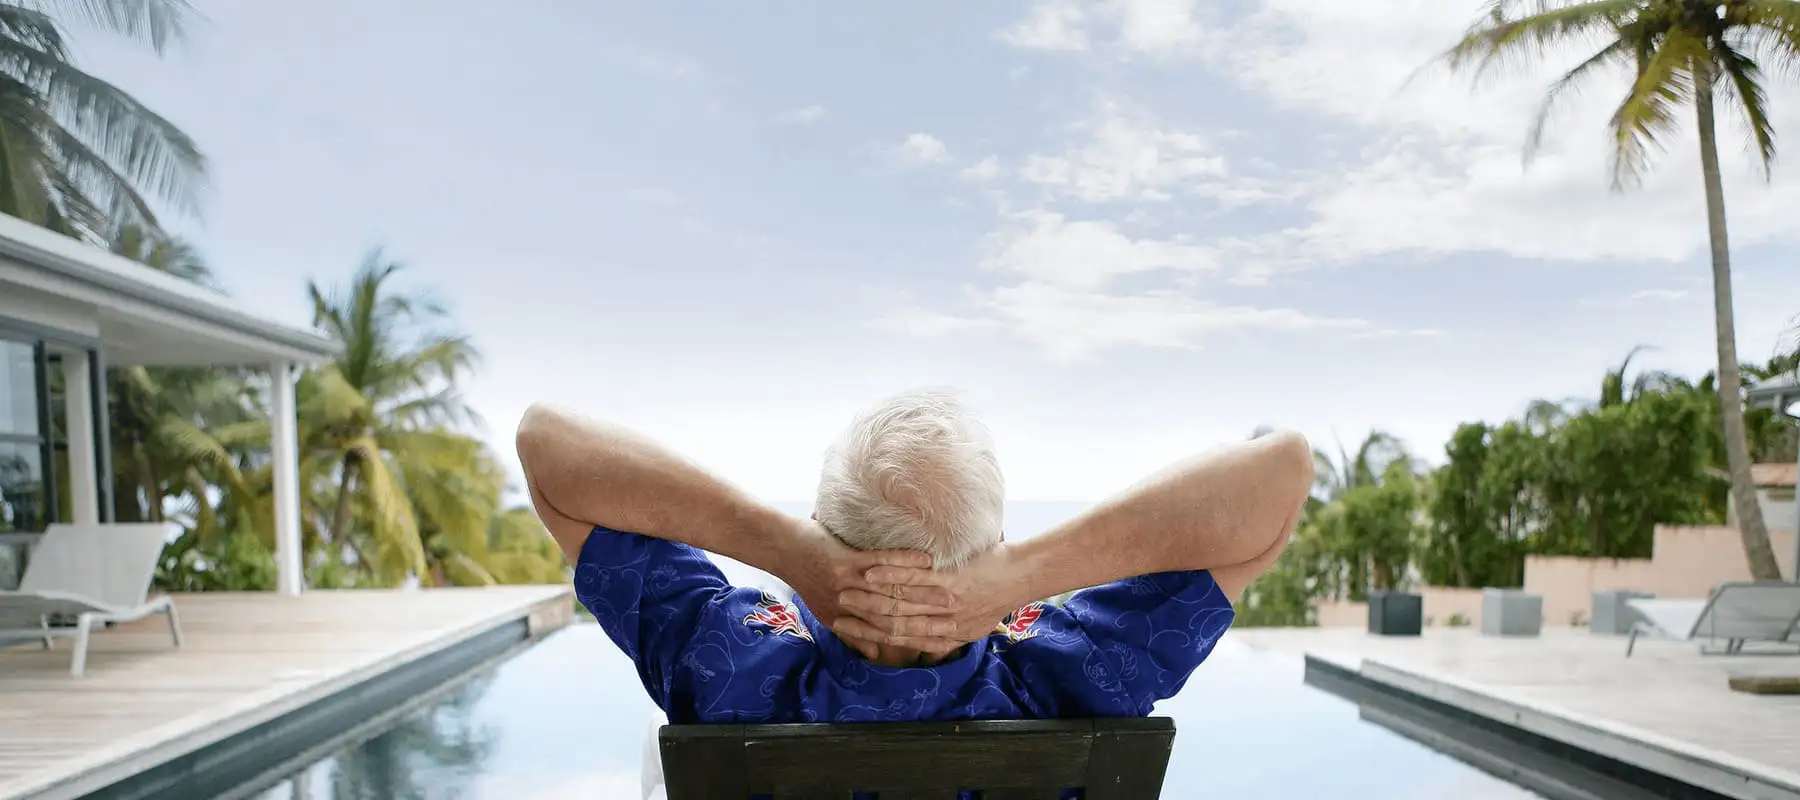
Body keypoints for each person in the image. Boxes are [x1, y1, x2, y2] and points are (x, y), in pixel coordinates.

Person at [516, 388, 1312, 728]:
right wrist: (1022, 575)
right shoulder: (1076, 674)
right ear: (990, 546)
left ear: (825, 527)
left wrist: (789, 550)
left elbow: (545, 442)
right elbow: (1281, 471)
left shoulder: (725, 663)